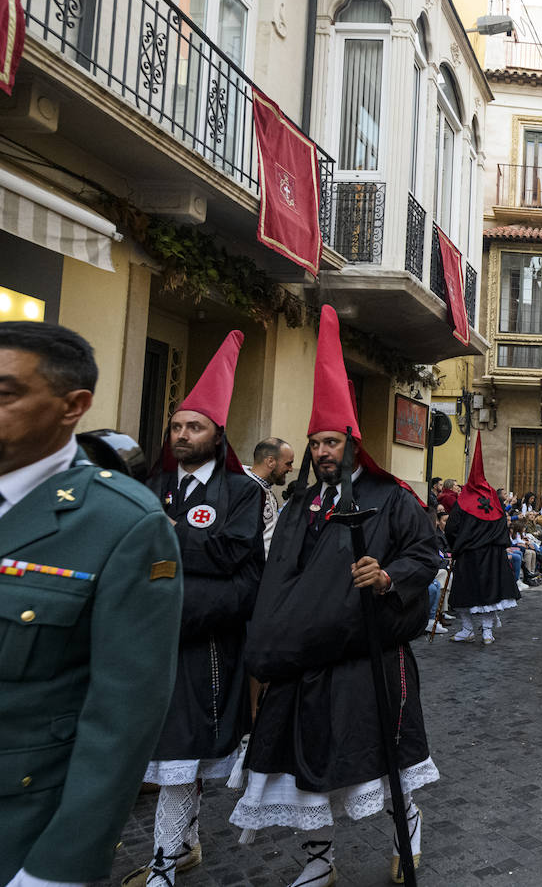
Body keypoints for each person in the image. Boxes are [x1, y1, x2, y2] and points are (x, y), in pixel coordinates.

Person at [229, 306, 441, 885]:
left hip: (367, 656)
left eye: (332, 442)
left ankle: (408, 829)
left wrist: (388, 575)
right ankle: (320, 863)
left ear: (353, 442)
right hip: (306, 661)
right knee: (309, 771)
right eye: (315, 443)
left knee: (382, 761)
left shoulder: (392, 497)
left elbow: (425, 555)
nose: (323, 452)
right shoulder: (299, 504)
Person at [0, 321, 182, 887]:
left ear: (72, 406)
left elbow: (122, 717)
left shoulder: (122, 523)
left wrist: (60, 866)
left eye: (6, 393)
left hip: (19, 822)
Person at [124, 331, 266, 887]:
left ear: (216, 434)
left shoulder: (241, 492)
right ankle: (185, 845)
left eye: (194, 427)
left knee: (184, 753)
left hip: (207, 647)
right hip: (144, 643)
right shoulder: (151, 482)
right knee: (153, 751)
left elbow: (237, 557)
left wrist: (165, 538)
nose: (182, 435)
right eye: (177, 427)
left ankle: (164, 865)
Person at [445, 435, 519, 644]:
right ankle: (487, 632)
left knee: (464, 593)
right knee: (489, 594)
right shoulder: (494, 499)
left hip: (469, 554)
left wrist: (456, 546)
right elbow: (503, 525)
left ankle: (467, 629)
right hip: (493, 555)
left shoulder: (464, 499)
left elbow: (451, 527)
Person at [245, 437, 294, 556]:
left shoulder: (266, 489)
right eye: (288, 464)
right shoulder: (244, 490)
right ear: (270, 462)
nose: (291, 469)